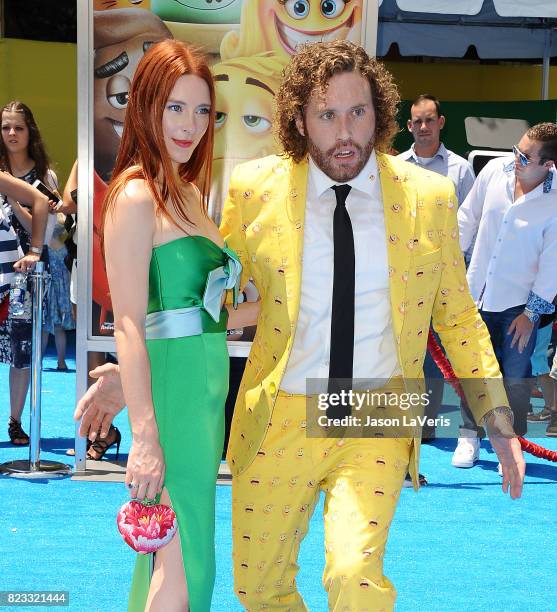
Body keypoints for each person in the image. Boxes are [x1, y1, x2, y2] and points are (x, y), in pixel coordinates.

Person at [77, 41, 524, 611]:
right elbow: (204, 299)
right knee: (258, 588)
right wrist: (137, 373)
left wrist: (498, 417)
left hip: (378, 407)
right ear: (298, 119)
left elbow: (459, 317)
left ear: (381, 114)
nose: (344, 132)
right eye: (327, 115)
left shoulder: (429, 198)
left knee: (354, 575)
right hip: (280, 407)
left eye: (358, 112)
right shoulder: (254, 189)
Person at [100, 40, 257, 611]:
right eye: (174, 107)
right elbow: (129, 323)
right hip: (171, 402)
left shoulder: (188, 192)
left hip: (203, 396)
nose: (190, 125)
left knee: (184, 558)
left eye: (201, 110)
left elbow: (206, 315)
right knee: (183, 565)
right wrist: (143, 437)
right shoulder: (137, 195)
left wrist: (280, 307)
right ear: (144, 105)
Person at [458, 123, 557, 452]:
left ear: (549, 165)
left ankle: (510, 445)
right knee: (473, 370)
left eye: (525, 156)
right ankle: (468, 436)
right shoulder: (492, 171)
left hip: (520, 306)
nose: (515, 158)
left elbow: (551, 267)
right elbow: (466, 219)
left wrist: (530, 315)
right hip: (474, 294)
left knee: (515, 378)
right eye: (517, 148)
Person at [398, 94, 478, 469]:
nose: (424, 127)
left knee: (442, 351)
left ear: (441, 123)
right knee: (402, 344)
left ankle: (428, 423)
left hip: (446, 277)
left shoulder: (461, 171)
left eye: (430, 120)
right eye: (417, 121)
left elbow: (470, 226)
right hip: (401, 276)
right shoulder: (394, 167)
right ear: (409, 125)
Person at [0, 101, 54, 446]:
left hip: (25, 280)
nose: (11, 134)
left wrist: (16, 199)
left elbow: (48, 234)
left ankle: (15, 421)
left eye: (18, 127)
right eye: (5, 127)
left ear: (29, 130)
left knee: (21, 351)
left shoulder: (44, 177)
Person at [43, 219, 75, 371]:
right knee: (58, 327)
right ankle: (61, 362)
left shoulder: (44, 237)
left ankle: (38, 361)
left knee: (44, 327)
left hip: (48, 286)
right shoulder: (64, 239)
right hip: (62, 287)